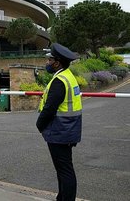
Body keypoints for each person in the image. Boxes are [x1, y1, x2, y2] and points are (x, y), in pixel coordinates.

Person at [36, 43, 82, 201]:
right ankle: (62, 197)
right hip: (68, 129)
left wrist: (39, 125)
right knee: (63, 169)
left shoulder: (59, 81)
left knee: (65, 170)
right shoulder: (68, 76)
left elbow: (49, 108)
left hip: (60, 131)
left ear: (57, 62)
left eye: (49, 60)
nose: (47, 63)